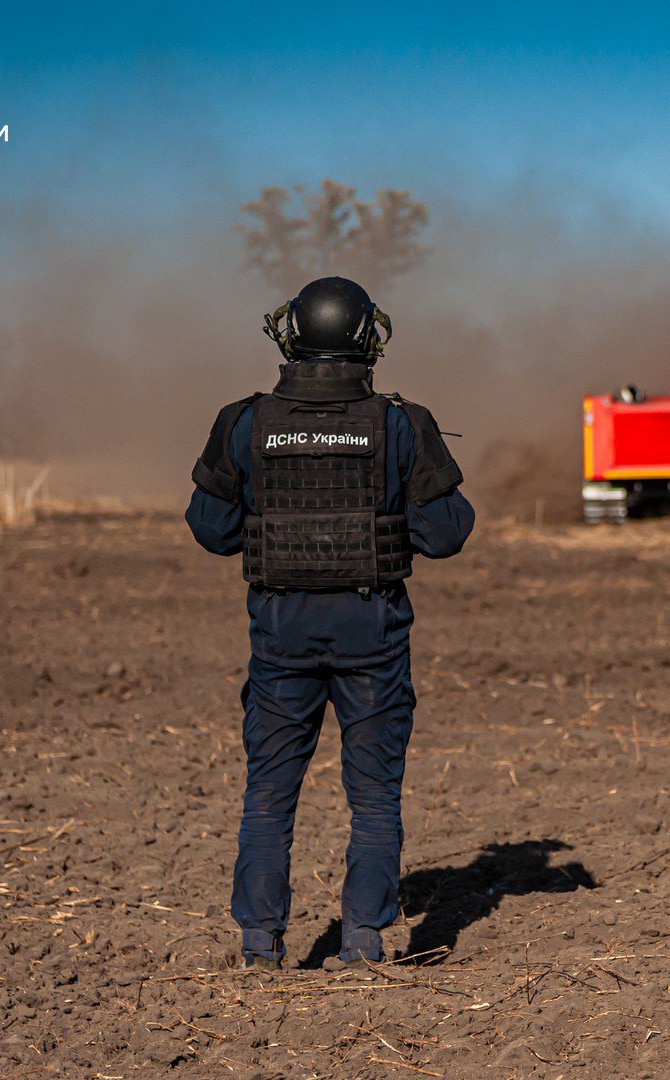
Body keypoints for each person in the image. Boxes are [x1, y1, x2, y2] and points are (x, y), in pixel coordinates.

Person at [186, 276, 475, 970]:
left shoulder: (244, 422)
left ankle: (260, 946)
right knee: (373, 797)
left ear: (290, 335)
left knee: (267, 794)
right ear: (368, 338)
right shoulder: (402, 424)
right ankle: (363, 943)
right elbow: (445, 535)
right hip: (372, 632)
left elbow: (212, 530)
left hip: (280, 634)